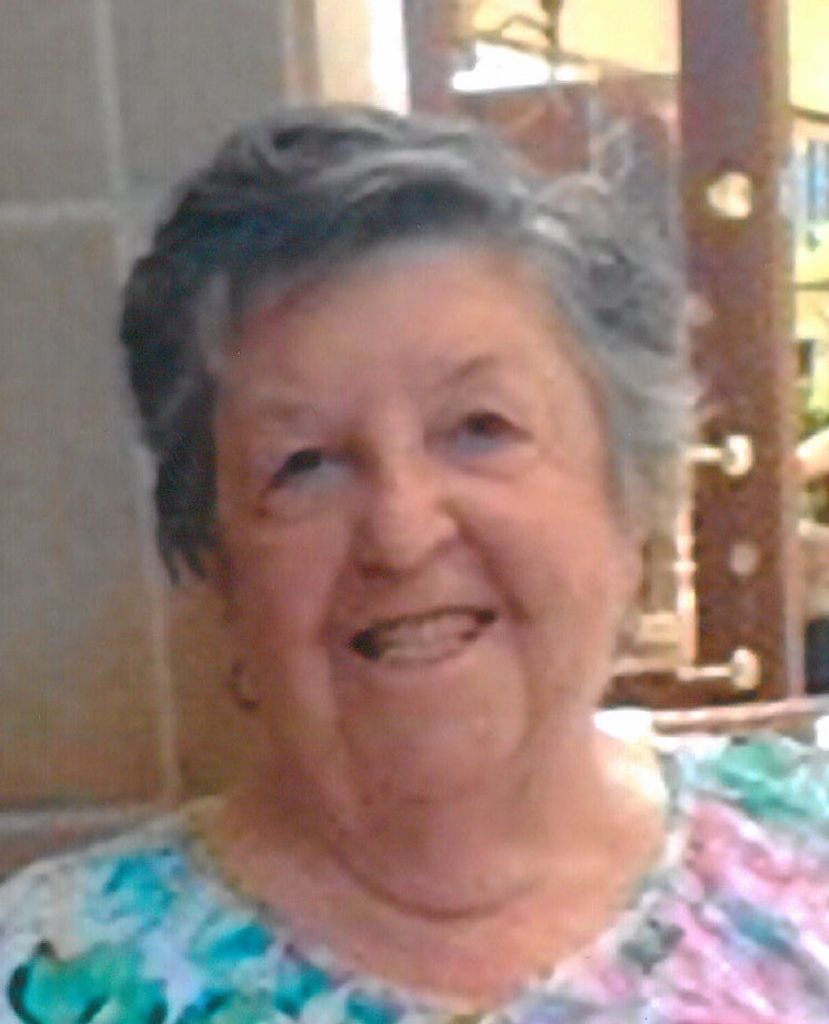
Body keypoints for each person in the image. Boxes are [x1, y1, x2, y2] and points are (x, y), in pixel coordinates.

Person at [1, 104, 828, 1024]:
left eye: (479, 428)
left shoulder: (805, 869)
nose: (399, 532)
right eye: (303, 464)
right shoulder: (51, 973)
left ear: (631, 495)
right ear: (221, 566)